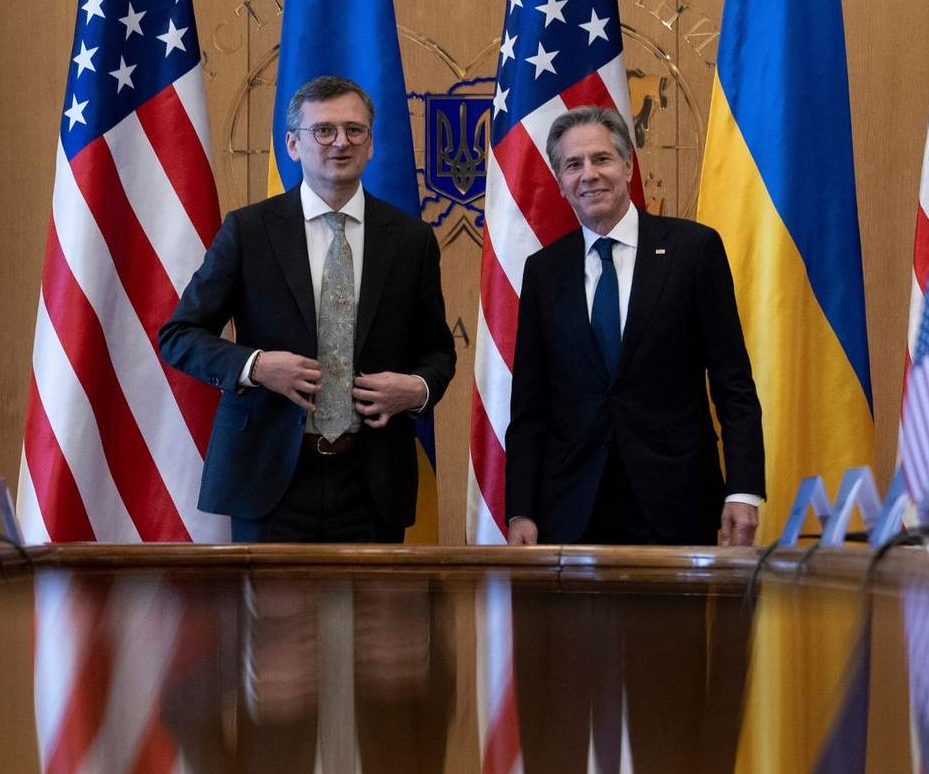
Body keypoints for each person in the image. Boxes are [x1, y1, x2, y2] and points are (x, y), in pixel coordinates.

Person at [159, 75, 456, 543]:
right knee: (272, 619)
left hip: (373, 479)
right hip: (269, 476)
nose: (340, 142)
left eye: (354, 130)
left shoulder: (410, 240)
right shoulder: (249, 232)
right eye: (324, 130)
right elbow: (179, 335)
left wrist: (416, 389)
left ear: (371, 144)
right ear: (294, 145)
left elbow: (438, 351)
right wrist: (256, 366)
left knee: (375, 618)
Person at [505, 105, 764, 547]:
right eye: (573, 165)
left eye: (601, 159)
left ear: (627, 165)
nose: (589, 174)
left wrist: (743, 489)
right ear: (560, 181)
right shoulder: (543, 271)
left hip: (677, 502)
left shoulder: (693, 250)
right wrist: (521, 510)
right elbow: (531, 407)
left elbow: (732, 384)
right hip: (571, 509)